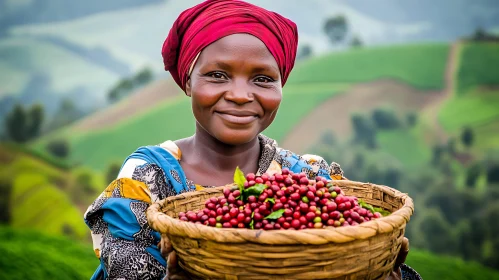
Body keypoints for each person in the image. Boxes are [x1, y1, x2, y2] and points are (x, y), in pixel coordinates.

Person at [84, 0, 422, 279]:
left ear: (280, 88)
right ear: (188, 82)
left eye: (262, 79)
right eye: (218, 75)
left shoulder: (310, 177)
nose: (241, 95)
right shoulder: (146, 180)